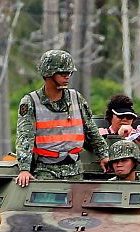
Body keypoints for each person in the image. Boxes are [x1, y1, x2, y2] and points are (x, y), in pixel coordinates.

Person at [15, 49, 110, 187]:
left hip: (74, 170)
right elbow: (25, 137)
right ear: (48, 74)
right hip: (45, 172)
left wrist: (103, 155)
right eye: (63, 73)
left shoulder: (76, 98)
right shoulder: (30, 102)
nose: (67, 77)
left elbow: (91, 130)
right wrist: (24, 169)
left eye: (69, 73)